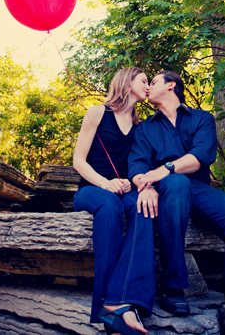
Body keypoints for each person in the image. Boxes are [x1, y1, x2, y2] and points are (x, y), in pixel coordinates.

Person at [128, 70, 225, 334]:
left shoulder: (202, 118)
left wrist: (165, 167)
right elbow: (138, 167)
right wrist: (146, 186)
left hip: (199, 188)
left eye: (152, 82)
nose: (148, 87)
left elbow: (201, 156)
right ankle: (174, 286)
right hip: (165, 189)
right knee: (176, 183)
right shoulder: (144, 128)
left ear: (171, 86)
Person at [73, 67, 155, 335]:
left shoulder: (140, 127)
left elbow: (136, 167)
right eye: (143, 81)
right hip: (91, 190)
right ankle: (105, 307)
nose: (147, 86)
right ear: (127, 81)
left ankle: (125, 299)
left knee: (144, 208)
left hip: (122, 190)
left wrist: (130, 182)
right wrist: (105, 184)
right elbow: (79, 161)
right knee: (110, 206)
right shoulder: (98, 112)